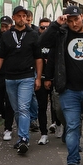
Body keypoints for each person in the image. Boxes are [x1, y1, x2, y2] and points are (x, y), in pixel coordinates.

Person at [40, 6, 83, 165]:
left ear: (82, 17)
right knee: (72, 126)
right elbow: (41, 43)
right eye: (70, 21)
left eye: (76, 19)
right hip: (69, 90)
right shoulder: (61, 34)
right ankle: (73, 162)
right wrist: (56, 24)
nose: (74, 24)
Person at [0, 6, 42, 155]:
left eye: (24, 16)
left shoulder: (33, 35)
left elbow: (38, 58)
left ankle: (24, 138)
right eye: (18, 16)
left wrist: (38, 77)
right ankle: (21, 138)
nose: (21, 18)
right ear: (14, 17)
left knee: (24, 107)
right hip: (10, 78)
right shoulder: (6, 36)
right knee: (17, 109)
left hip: (26, 76)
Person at [34, 17, 54, 145]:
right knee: (41, 106)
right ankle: (44, 133)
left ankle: (57, 124)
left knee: (57, 106)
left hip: (54, 78)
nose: (45, 30)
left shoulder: (56, 41)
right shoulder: (36, 42)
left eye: (48, 27)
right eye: (42, 27)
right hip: (40, 77)